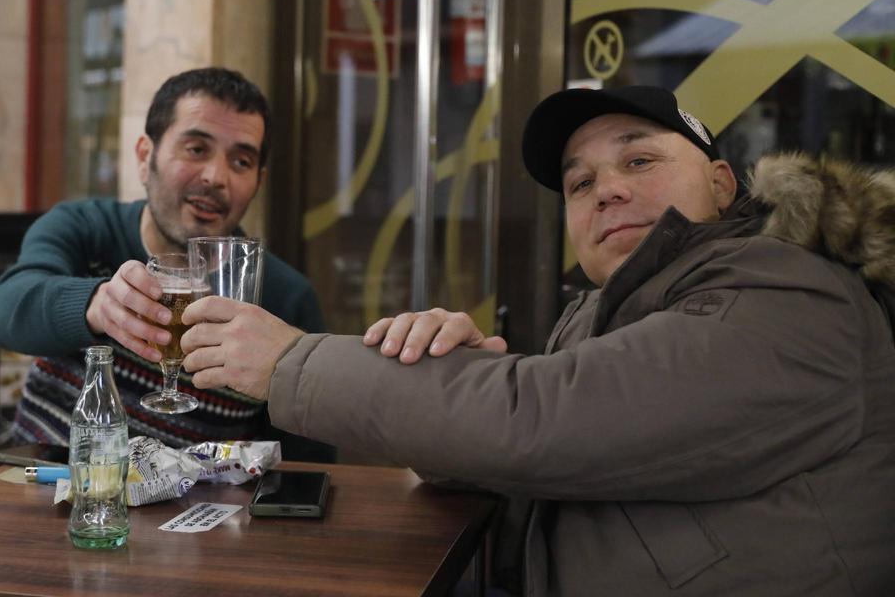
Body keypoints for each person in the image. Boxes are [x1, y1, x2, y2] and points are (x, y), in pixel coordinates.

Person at [181, 85, 895, 595]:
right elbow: (531, 452)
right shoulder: (598, 314)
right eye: (579, 183)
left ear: (722, 183)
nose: (605, 190)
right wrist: (451, 370)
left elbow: (541, 422)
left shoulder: (790, 291)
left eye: (638, 161)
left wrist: (292, 363)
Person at [0, 67, 331, 458]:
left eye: (241, 162)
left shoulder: (284, 298)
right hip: (46, 480)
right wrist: (96, 304)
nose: (216, 177)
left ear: (258, 181)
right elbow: (4, 313)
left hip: (201, 496)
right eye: (196, 149)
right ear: (144, 156)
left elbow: (308, 464)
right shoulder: (84, 230)